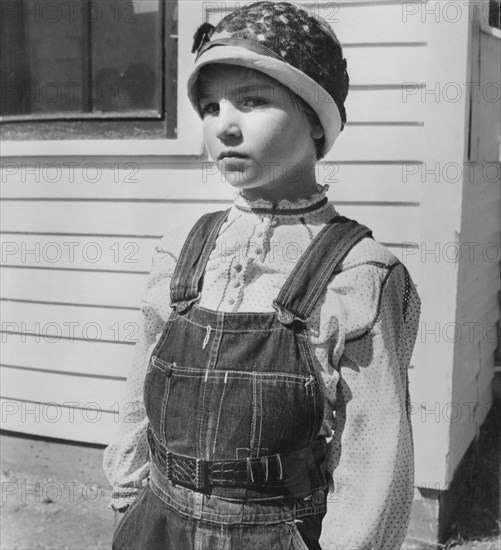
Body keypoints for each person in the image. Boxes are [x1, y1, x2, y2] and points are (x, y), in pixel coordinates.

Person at [103, 2, 420, 549]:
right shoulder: (182, 252)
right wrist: (129, 504)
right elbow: (137, 401)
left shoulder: (359, 274)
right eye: (210, 106)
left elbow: (374, 463)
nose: (224, 125)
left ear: (316, 122)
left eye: (252, 101)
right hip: (158, 525)